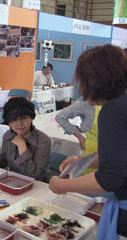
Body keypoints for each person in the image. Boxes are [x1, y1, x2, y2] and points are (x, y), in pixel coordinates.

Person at [49, 44, 127, 239]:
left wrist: (62, 186)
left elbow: (109, 178)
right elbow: (121, 157)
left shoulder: (114, 110)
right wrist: (83, 162)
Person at [0, 97, 51, 181]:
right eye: (13, 120)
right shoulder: (8, 135)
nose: (19, 124)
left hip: (38, 186)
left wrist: (22, 147)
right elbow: (4, 159)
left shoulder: (43, 141)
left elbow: (33, 175)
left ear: (31, 117)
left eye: (23, 118)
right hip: (13, 181)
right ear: (8, 122)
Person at [55, 99, 101, 172]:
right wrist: (80, 137)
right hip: (92, 154)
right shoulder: (86, 103)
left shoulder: (118, 102)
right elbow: (60, 117)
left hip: (114, 156)